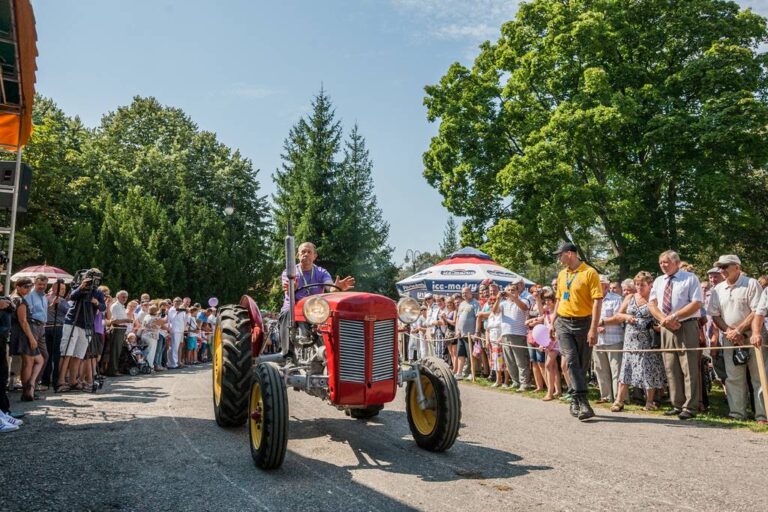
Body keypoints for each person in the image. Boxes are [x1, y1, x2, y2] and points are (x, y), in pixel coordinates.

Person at [550, 242, 603, 421]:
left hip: (584, 322)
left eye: (560, 254)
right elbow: (559, 298)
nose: (559, 258)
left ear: (570, 254)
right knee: (571, 360)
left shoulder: (590, 272)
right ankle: (584, 401)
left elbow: (597, 301)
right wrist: (553, 320)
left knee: (581, 364)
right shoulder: (562, 274)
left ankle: (575, 398)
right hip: (563, 323)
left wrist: (593, 328)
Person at [708, 255, 765, 423]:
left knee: (759, 377)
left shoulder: (751, 283)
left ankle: (762, 415)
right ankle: (737, 413)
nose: (722, 270)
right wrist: (729, 332)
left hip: (753, 336)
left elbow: (757, 310)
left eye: (725, 266)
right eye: (720, 267)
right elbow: (715, 315)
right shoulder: (718, 289)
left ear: (737, 267)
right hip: (729, 338)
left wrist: (740, 329)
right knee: (733, 377)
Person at [648, 250, 703, 420]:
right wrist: (665, 320)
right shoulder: (658, 281)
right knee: (671, 367)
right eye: (661, 262)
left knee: (689, 367)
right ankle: (677, 404)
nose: (663, 265)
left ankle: (690, 405)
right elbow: (652, 304)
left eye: (666, 262)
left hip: (686, 325)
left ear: (676, 262)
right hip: (666, 327)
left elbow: (696, 303)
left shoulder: (690, 278)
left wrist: (675, 316)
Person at [279, 242, 355, 349]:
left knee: (332, 319)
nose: (306, 254)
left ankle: (329, 353)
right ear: (298, 255)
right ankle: (288, 354)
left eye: (309, 252)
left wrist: (337, 288)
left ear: (315, 256)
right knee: (287, 313)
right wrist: (293, 288)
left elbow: (330, 288)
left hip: (315, 310)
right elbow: (287, 290)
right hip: (294, 307)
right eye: (303, 252)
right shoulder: (289, 272)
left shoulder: (321, 272)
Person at [611, 271, 666, 411]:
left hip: (647, 340)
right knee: (626, 370)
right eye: (637, 284)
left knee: (649, 370)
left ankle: (649, 402)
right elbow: (618, 314)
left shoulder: (653, 299)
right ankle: (619, 401)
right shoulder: (630, 297)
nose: (639, 287)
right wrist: (626, 317)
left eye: (642, 285)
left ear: (649, 285)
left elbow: (659, 316)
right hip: (630, 340)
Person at [57, 273, 106, 392]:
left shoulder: (97, 292)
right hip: (73, 321)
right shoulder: (78, 287)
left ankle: (73, 380)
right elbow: (72, 297)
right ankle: (60, 381)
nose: (94, 281)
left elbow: (103, 307)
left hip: (87, 324)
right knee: (67, 352)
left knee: (79, 354)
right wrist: (81, 287)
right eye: (92, 278)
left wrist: (96, 303)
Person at [493, 279, 532, 391]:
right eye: (508, 290)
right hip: (505, 334)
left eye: (513, 290)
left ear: (518, 291)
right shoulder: (503, 303)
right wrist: (498, 298)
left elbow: (524, 308)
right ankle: (516, 381)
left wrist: (512, 297)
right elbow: (494, 311)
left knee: (521, 361)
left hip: (518, 334)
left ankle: (525, 383)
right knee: (510, 361)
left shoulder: (523, 300)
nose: (510, 292)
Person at [10, 278, 45, 401]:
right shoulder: (20, 300)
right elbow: (23, 321)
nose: (28, 289)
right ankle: (27, 391)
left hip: (19, 333)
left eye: (29, 287)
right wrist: (32, 338)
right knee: (29, 362)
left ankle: (29, 388)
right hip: (23, 334)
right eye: (25, 287)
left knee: (36, 360)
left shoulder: (14, 297)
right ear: (17, 286)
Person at [593, 275, 624, 404]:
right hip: (598, 341)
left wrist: (601, 322)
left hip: (614, 340)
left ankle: (618, 398)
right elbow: (589, 318)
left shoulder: (616, 299)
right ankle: (605, 396)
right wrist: (595, 327)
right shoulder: (592, 300)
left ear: (605, 286)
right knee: (600, 369)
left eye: (598, 284)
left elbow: (619, 318)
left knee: (616, 370)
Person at [26, 275, 49, 389]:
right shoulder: (30, 294)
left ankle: (34, 383)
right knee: (32, 356)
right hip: (33, 325)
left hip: (42, 327)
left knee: (45, 356)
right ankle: (28, 386)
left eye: (44, 285)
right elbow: (27, 311)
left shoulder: (44, 296)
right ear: (35, 283)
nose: (42, 286)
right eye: (39, 284)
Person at [455, 286, 480, 379]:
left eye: (466, 292)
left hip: (470, 334)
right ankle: (459, 373)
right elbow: (458, 318)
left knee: (471, 355)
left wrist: (476, 332)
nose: (464, 294)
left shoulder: (475, 303)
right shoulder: (461, 304)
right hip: (461, 334)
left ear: (470, 292)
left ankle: (472, 373)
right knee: (460, 354)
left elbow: (478, 318)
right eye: (462, 293)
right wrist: (457, 329)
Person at [107, 290, 131, 376]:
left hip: (121, 329)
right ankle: (113, 371)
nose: (125, 298)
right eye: (123, 297)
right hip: (117, 329)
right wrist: (126, 320)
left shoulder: (121, 306)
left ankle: (116, 369)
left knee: (119, 351)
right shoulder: (116, 306)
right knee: (115, 351)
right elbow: (113, 321)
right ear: (117, 297)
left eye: (126, 297)